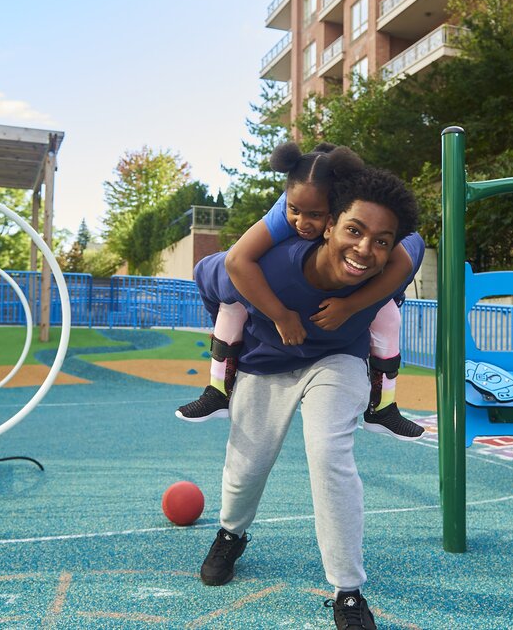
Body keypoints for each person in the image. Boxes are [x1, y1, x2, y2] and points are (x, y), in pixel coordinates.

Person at [191, 163, 423, 630]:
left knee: (328, 453)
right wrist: (247, 337)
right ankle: (231, 533)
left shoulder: (395, 258)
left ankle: (348, 590)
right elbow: (214, 272)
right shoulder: (271, 266)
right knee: (247, 466)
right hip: (268, 360)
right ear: (329, 224)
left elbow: (408, 250)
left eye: (381, 240)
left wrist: (353, 305)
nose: (365, 249)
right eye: (354, 230)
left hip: (338, 361)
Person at [175, 141, 423, 440]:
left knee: (388, 315)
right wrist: (280, 315)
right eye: (295, 210)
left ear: (336, 211)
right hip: (276, 289)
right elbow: (237, 260)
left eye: (315, 215)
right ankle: (218, 390)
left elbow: (401, 264)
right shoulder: (283, 215)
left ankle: (382, 406)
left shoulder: (358, 216)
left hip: (347, 293)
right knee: (235, 299)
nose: (303, 223)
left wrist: (352, 305)